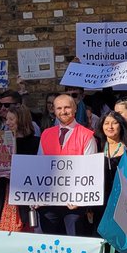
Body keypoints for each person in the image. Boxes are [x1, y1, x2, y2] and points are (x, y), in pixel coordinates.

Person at [37, 94, 97, 235]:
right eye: (59, 108)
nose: (63, 111)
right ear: (54, 110)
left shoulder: (87, 135)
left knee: (74, 241)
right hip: (49, 202)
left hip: (74, 203)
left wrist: (81, 199)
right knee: (49, 242)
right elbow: (40, 166)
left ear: (75, 109)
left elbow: (90, 170)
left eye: (67, 107)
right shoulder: (46, 134)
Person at [97, 111, 127, 253]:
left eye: (114, 123)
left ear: (121, 126)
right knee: (111, 236)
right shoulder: (98, 147)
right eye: (106, 123)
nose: (110, 127)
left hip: (124, 198)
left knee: (125, 237)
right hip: (104, 200)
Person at [0, 104, 41, 232]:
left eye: (11, 119)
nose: (7, 123)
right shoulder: (1, 141)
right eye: (6, 119)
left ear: (21, 119)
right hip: (6, 192)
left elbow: (38, 168)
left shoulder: (36, 142)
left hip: (26, 192)